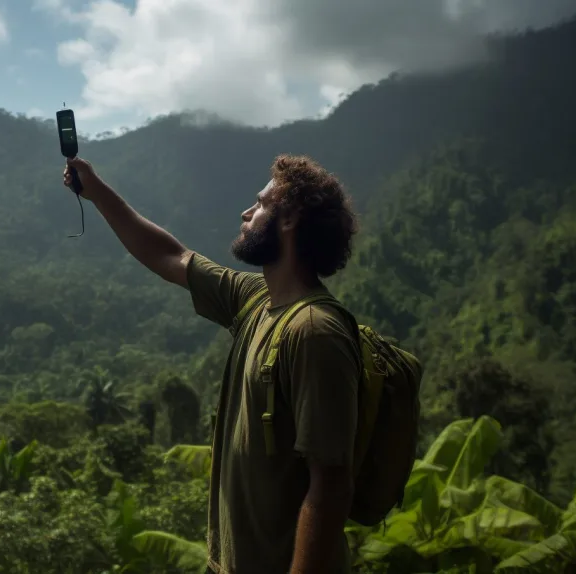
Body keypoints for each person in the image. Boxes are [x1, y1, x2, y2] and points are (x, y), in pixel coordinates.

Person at [62, 154, 362, 574]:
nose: (246, 212)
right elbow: (172, 256)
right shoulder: (256, 300)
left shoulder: (315, 332)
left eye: (259, 204)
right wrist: (94, 191)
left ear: (289, 219)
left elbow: (330, 483)